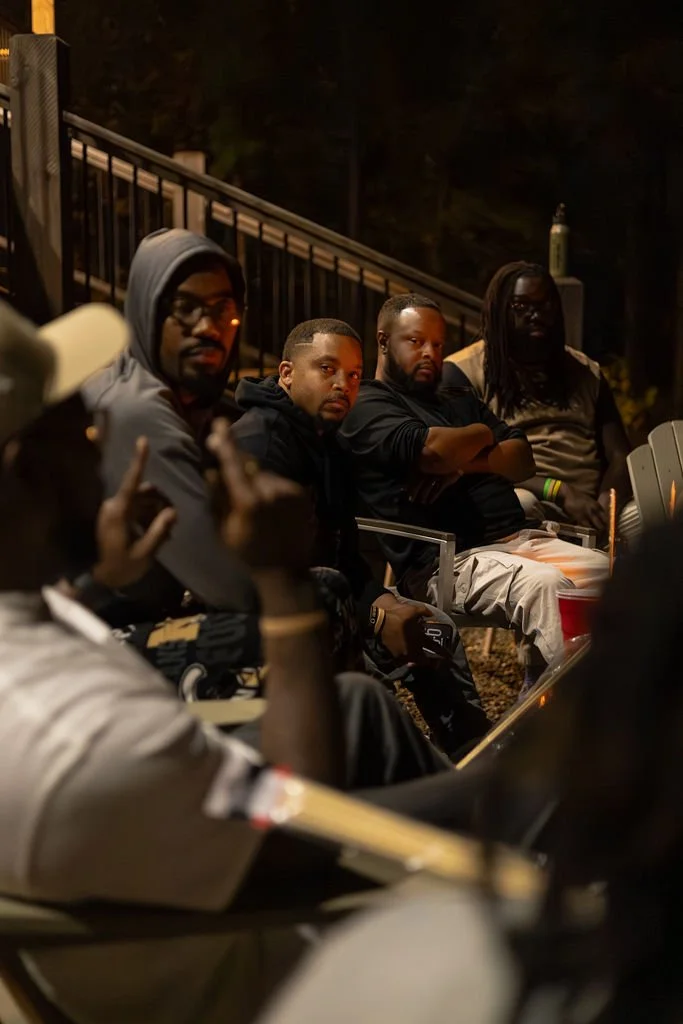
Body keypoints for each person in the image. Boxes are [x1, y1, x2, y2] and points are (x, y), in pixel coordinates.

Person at [0, 300, 480, 1024]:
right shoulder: (81, 735)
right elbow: (300, 830)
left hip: (164, 834)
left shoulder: (24, 618)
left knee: (358, 704)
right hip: (273, 967)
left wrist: (99, 576)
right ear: (24, 471)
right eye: (82, 427)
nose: (102, 444)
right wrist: (282, 587)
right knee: (534, 791)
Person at [256, 520, 683, 1024]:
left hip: (275, 820)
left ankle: (480, 749)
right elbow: (273, 821)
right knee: (529, 785)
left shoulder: (384, 965)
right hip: (271, 829)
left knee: (370, 696)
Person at [231, 318, 490, 756]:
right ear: (287, 373)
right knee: (374, 699)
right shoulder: (261, 445)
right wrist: (372, 619)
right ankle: (405, 766)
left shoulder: (328, 443)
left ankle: (470, 748)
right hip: (276, 628)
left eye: (353, 375)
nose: (343, 385)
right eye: (327, 369)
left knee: (430, 627)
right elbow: (261, 582)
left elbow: (345, 558)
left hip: (333, 606)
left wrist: (383, 604)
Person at [339, 293, 609, 676]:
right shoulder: (368, 404)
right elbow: (434, 454)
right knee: (548, 586)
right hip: (448, 563)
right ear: (383, 341)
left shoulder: (457, 398)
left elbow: (521, 459)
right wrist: (484, 433)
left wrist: (462, 467)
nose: (431, 353)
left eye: (437, 344)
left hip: (518, 541)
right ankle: (589, 714)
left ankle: (553, 692)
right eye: (416, 342)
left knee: (612, 575)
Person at [443, 262, 633, 533]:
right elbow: (470, 464)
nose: (536, 315)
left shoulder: (585, 371)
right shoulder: (463, 372)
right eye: (521, 306)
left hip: (591, 507)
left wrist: (608, 500)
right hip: (524, 497)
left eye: (545, 305)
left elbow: (619, 454)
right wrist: (561, 492)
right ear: (499, 312)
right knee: (523, 504)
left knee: (649, 517)